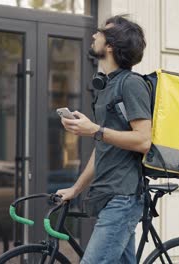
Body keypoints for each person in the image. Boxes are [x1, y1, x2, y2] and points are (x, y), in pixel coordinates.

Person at [56, 15, 152, 264]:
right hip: (108, 194)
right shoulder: (105, 87)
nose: (93, 35)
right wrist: (75, 189)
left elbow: (143, 141)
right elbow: (102, 149)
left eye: (99, 32)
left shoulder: (131, 84)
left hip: (123, 196)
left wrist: (95, 129)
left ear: (110, 45)